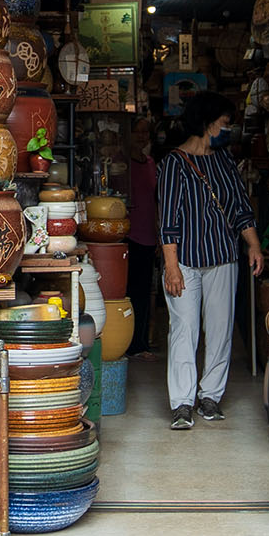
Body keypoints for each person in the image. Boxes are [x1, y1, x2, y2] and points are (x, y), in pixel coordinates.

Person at [157, 90, 262, 430]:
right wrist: (170, 266)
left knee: (219, 330)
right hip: (184, 260)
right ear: (207, 122)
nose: (226, 128)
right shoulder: (173, 163)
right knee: (184, 330)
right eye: (223, 122)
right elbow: (167, 220)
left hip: (222, 257)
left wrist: (254, 245)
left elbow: (240, 208)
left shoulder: (224, 160)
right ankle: (182, 403)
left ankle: (210, 397)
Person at [123, 117, 159, 361]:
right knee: (129, 292)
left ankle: (140, 343)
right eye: (137, 131)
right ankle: (131, 344)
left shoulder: (150, 163)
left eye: (146, 132)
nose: (142, 136)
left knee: (144, 293)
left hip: (149, 236)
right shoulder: (122, 164)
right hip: (128, 234)